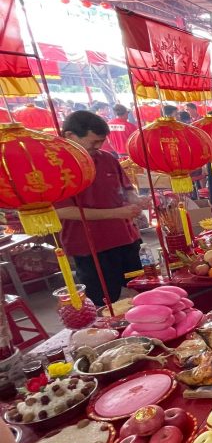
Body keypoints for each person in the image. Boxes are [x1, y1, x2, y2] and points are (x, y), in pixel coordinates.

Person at [53, 111, 145, 307]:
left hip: (127, 239)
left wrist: (136, 200)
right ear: (70, 136)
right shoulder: (56, 166)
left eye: (101, 142)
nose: (98, 147)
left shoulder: (107, 159)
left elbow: (127, 189)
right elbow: (62, 211)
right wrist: (115, 214)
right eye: (93, 142)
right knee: (104, 302)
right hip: (91, 246)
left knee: (141, 290)